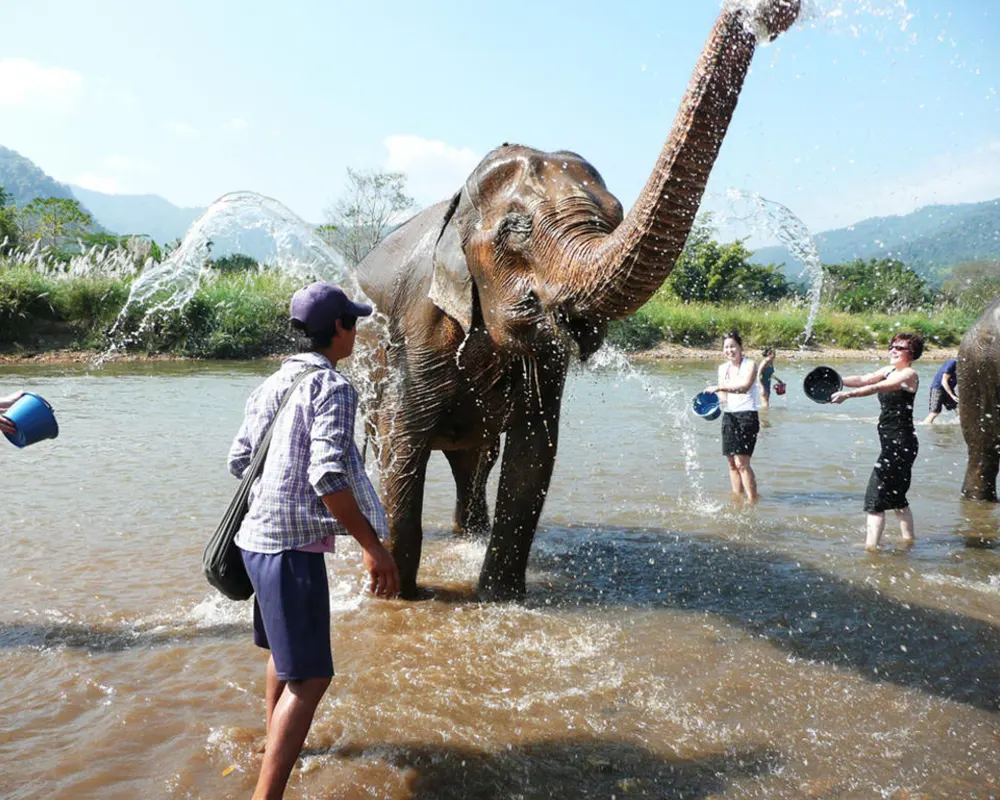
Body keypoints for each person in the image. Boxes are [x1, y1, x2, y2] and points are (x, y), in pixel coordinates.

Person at [228, 282, 400, 800]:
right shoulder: (334, 387)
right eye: (354, 323)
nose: (357, 332)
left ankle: (272, 744)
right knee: (312, 679)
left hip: (254, 539)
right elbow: (328, 476)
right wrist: (374, 548)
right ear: (339, 330)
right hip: (290, 547)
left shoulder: (272, 383)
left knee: (285, 657)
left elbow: (239, 459)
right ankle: (267, 794)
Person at [831, 332, 923, 551]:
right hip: (896, 444)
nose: (893, 350)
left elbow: (877, 387)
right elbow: (865, 379)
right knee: (898, 498)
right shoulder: (889, 370)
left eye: (899, 348)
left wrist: (848, 396)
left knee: (875, 498)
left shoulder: (909, 373)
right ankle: (909, 542)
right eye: (891, 346)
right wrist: (836, 380)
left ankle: (871, 548)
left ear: (911, 353)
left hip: (900, 445)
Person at [706, 331, 761, 503]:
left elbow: (744, 387)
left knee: (742, 463)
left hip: (747, 416)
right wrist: (711, 404)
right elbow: (723, 396)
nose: (730, 350)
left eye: (733, 346)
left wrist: (719, 387)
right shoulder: (723, 369)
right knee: (731, 463)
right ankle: (738, 498)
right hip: (729, 416)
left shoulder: (751, 365)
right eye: (726, 347)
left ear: (740, 347)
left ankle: (752, 501)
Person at [921, 357, 958, 425]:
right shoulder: (952, 363)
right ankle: (926, 426)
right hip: (938, 388)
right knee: (935, 412)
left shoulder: (964, 367)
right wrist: (952, 395)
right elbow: (944, 381)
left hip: (949, 389)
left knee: (958, 407)